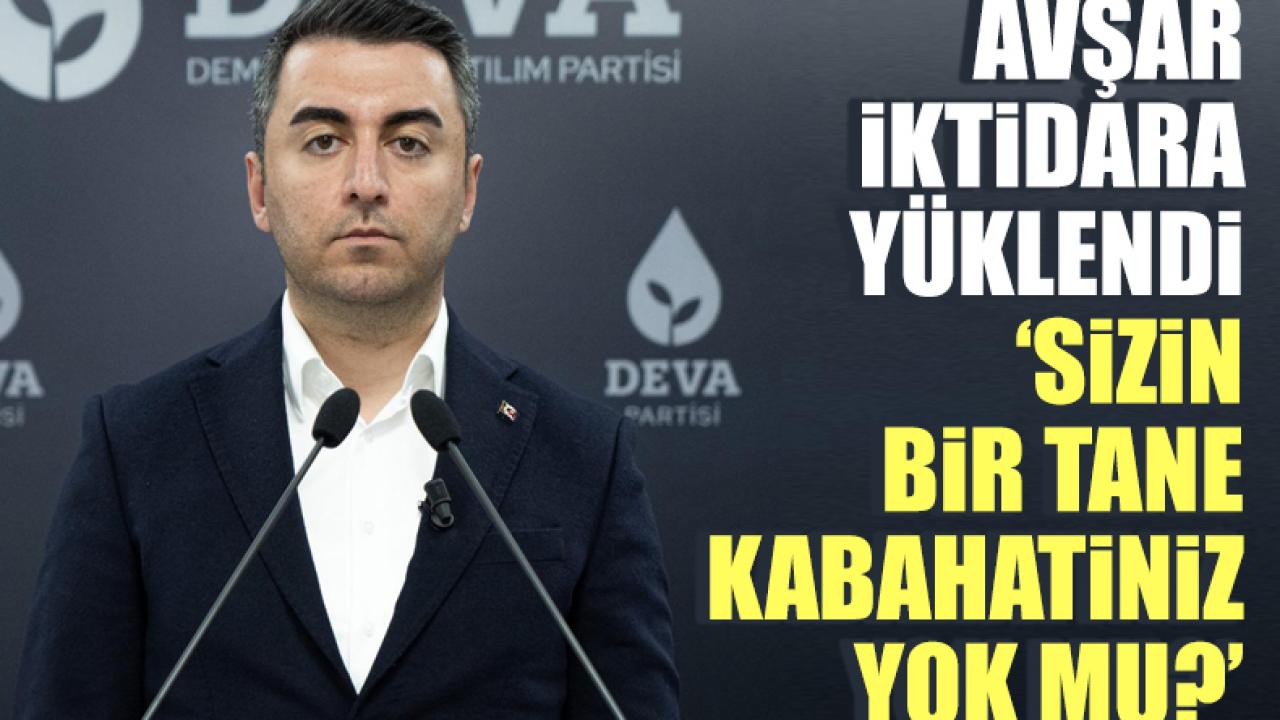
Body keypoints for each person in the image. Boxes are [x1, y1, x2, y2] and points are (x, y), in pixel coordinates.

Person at [13, 1, 679, 717]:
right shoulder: (137, 445)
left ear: (468, 191)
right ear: (259, 189)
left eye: (410, 143)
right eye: (325, 140)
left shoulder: (583, 458)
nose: (366, 181)